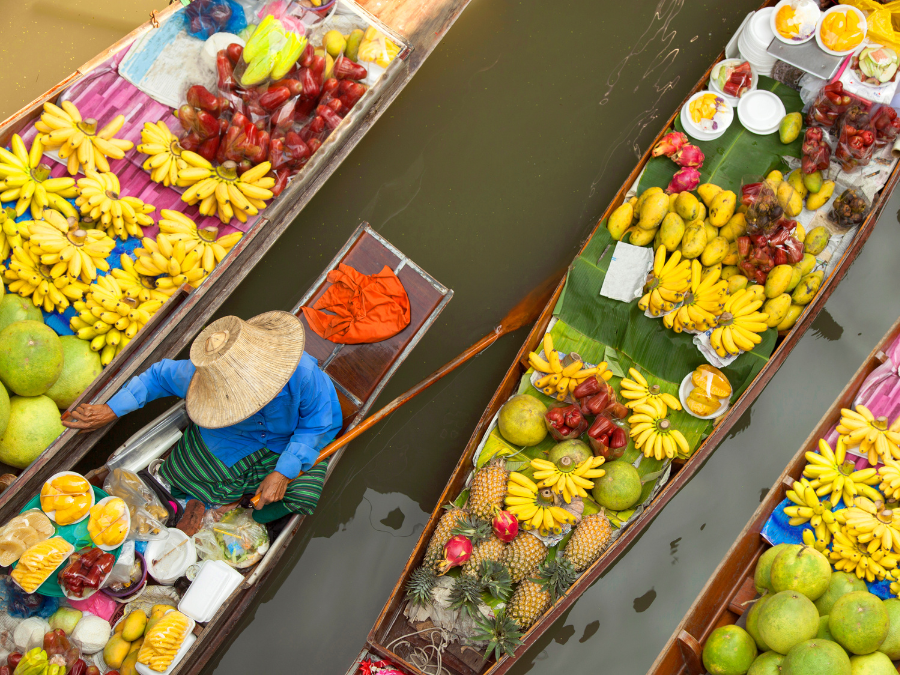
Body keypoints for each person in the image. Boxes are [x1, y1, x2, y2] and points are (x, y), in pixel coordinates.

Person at [62, 311, 342, 523]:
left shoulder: (304, 375)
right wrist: (111, 409)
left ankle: (246, 509)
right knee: (182, 474)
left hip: (290, 440)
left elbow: (317, 425)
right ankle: (222, 501)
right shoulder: (203, 378)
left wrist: (282, 472)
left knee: (303, 492)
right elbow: (157, 376)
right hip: (231, 436)